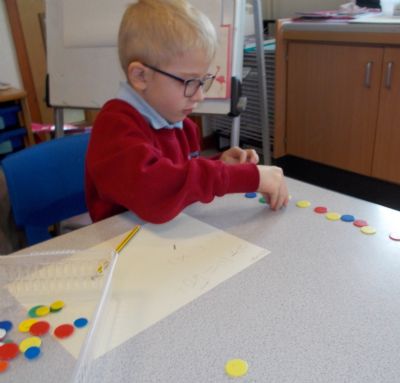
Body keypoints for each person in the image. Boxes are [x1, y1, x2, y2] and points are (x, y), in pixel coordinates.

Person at [85, 0, 289, 224]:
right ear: (140, 76)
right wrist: (246, 177)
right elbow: (157, 194)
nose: (199, 96)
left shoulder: (182, 125)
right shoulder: (115, 126)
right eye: (189, 81)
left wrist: (221, 164)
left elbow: (180, 176)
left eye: (202, 81)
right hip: (120, 239)